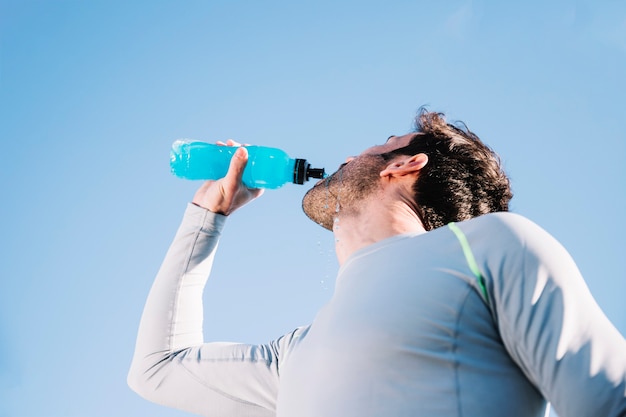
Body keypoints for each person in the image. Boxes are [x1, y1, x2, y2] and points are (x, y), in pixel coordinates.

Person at [128, 109, 626, 417]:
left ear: (403, 164)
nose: (348, 156)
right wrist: (205, 215)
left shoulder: (491, 245)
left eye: (378, 145)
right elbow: (158, 369)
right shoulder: (296, 353)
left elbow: (609, 400)